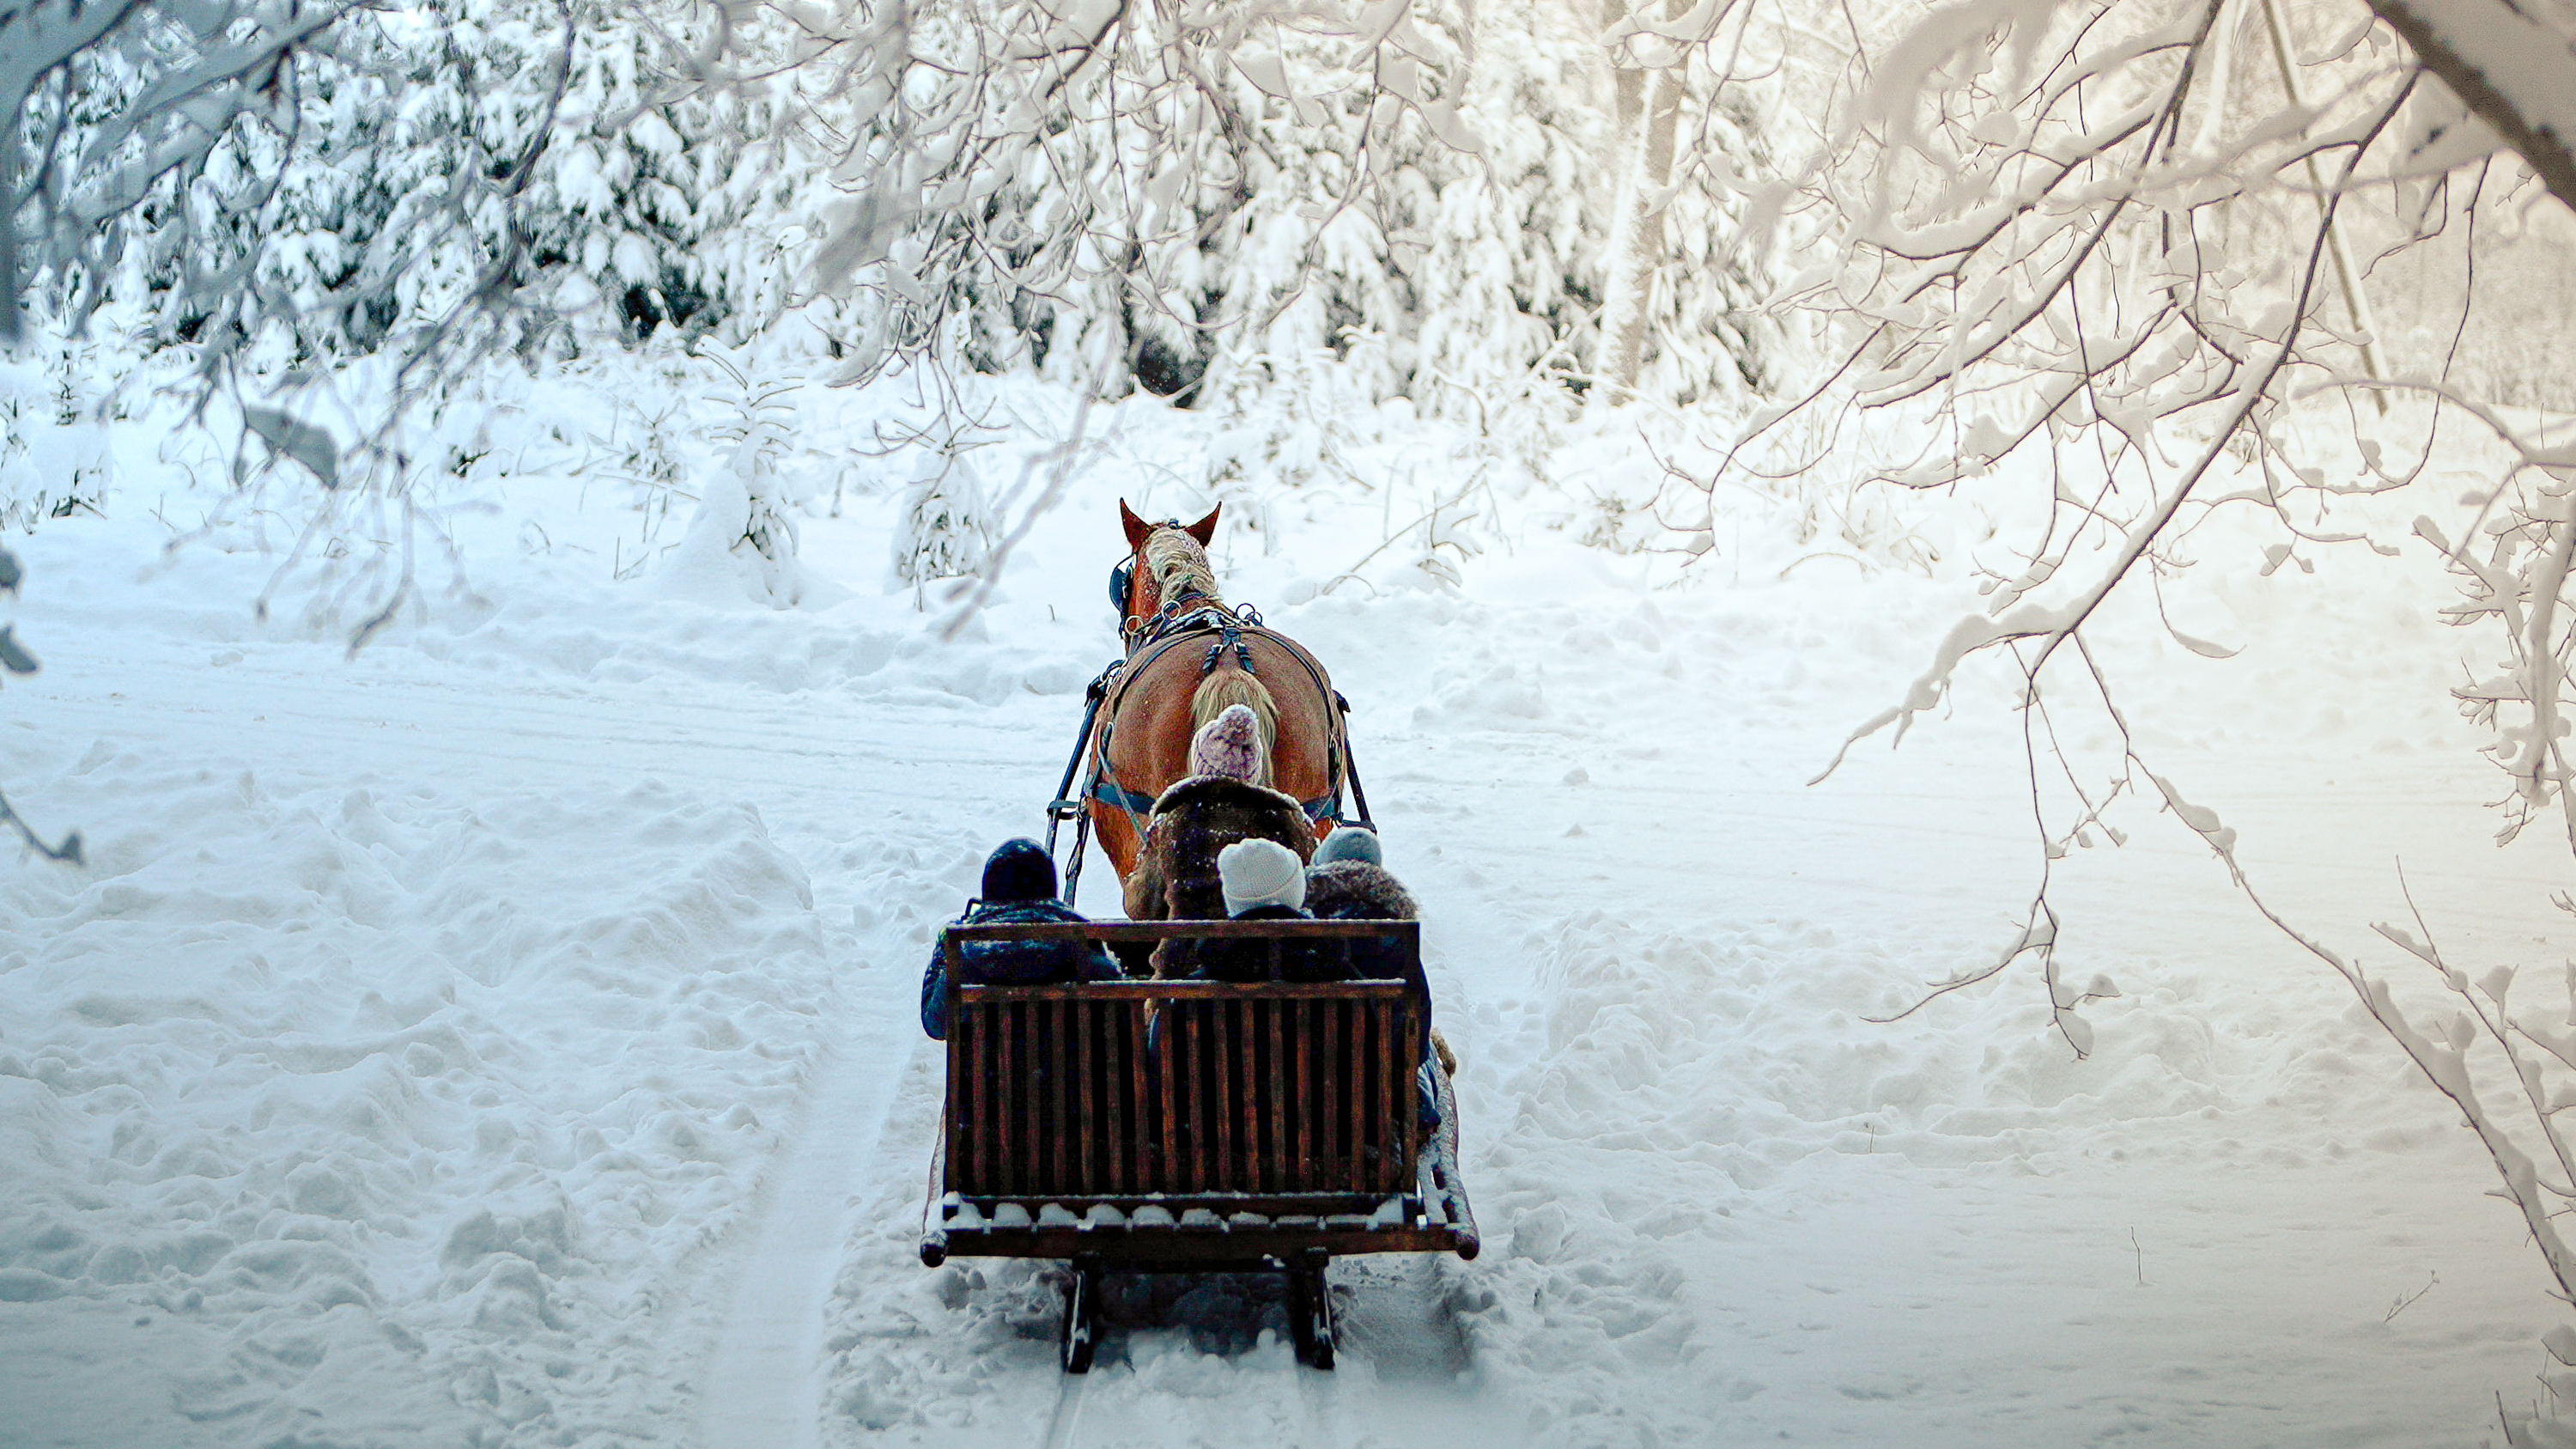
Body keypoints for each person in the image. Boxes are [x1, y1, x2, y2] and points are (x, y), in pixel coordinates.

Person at [919, 838, 1121, 1039]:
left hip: (990, 1072)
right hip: (1073, 1071)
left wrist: (943, 951)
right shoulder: (1083, 954)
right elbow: (1120, 1011)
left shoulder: (966, 959)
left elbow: (935, 1024)